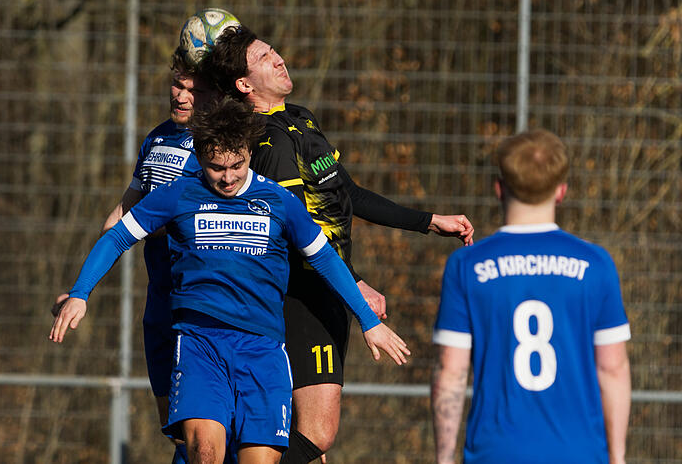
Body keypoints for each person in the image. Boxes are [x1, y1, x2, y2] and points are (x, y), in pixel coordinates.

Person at [49, 97, 411, 464]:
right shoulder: (179, 194)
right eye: (216, 167)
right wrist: (81, 293)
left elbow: (326, 258)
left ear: (249, 152)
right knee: (205, 453)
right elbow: (116, 237)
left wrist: (368, 321)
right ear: (200, 157)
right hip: (200, 344)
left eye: (237, 165)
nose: (227, 177)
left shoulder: (279, 201)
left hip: (263, 349)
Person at [202, 25, 475, 463]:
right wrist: (356, 282)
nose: (279, 58)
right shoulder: (267, 143)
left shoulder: (301, 118)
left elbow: (350, 194)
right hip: (301, 295)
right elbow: (297, 236)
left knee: (307, 442)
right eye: (264, 58)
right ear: (244, 85)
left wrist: (428, 222)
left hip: (328, 289)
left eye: (274, 50)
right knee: (317, 434)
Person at [52, 47, 214, 463]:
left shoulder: (218, 150)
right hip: (159, 298)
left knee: (205, 433)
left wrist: (146, 225)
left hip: (198, 302)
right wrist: (82, 288)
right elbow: (124, 215)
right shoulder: (157, 138)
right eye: (176, 84)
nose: (180, 95)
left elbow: (164, 219)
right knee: (176, 429)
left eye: (192, 89)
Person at [430, 129, 631, 464]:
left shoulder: (467, 265)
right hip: (579, 453)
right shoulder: (596, 265)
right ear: (561, 191)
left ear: (499, 188)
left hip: (495, 453)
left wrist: (444, 458)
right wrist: (618, 457)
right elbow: (612, 368)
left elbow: (451, 371)